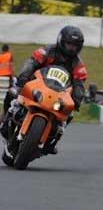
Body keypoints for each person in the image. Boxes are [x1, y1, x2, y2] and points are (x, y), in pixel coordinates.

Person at [0, 26, 87, 154]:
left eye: (75, 45)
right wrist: (23, 77)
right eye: (69, 44)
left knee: (69, 114)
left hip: (58, 94)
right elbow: (31, 63)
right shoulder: (47, 51)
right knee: (13, 92)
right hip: (35, 86)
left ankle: (52, 141)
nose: (71, 48)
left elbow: (79, 83)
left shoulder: (78, 64)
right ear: (61, 40)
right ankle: (4, 119)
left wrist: (77, 99)